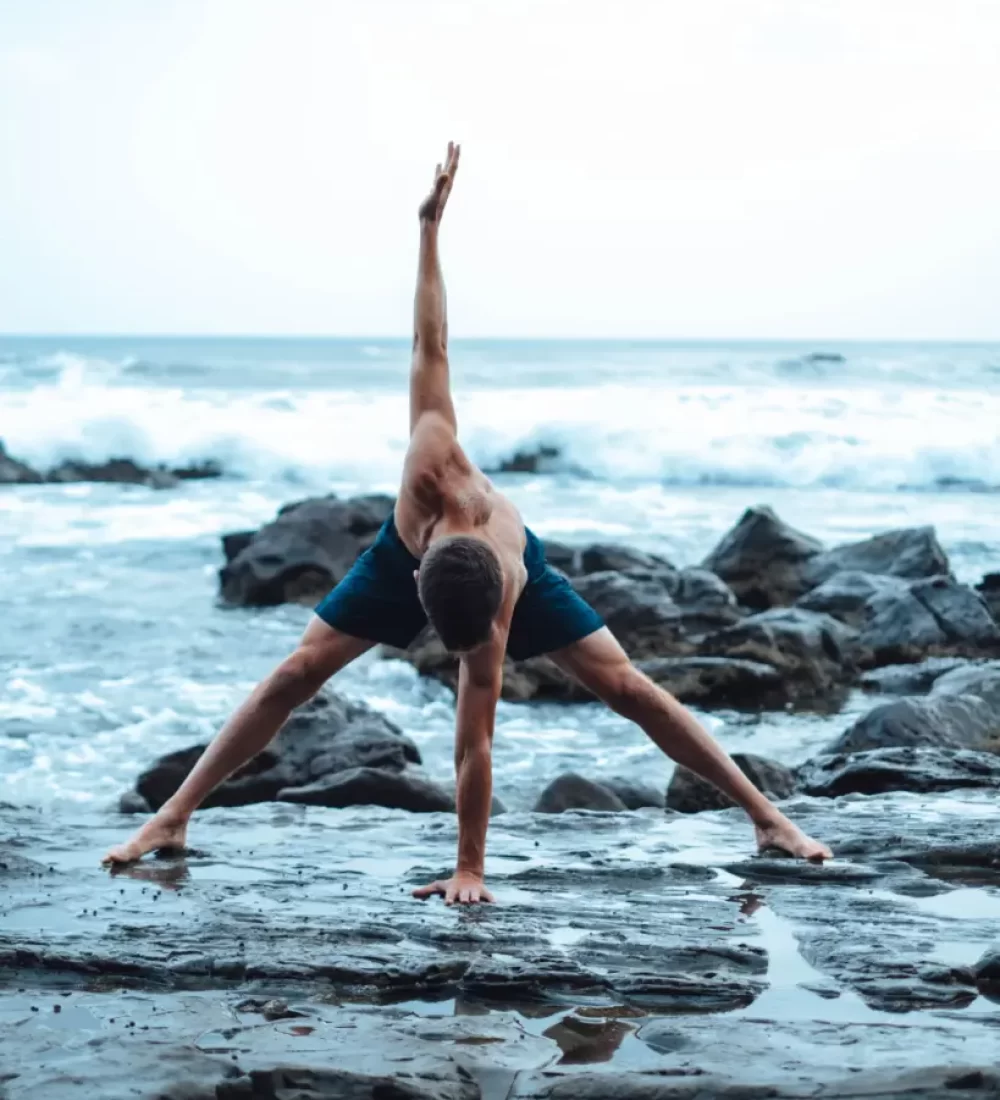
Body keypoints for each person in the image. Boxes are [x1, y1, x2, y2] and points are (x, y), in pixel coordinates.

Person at [103, 142, 831, 902]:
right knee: (294, 673)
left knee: (629, 688)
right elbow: (432, 342)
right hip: (400, 549)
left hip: (504, 564)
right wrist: (428, 231)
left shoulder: (505, 584)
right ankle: (173, 816)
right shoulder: (430, 459)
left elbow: (473, 742)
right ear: (418, 582)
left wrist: (470, 870)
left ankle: (767, 818)